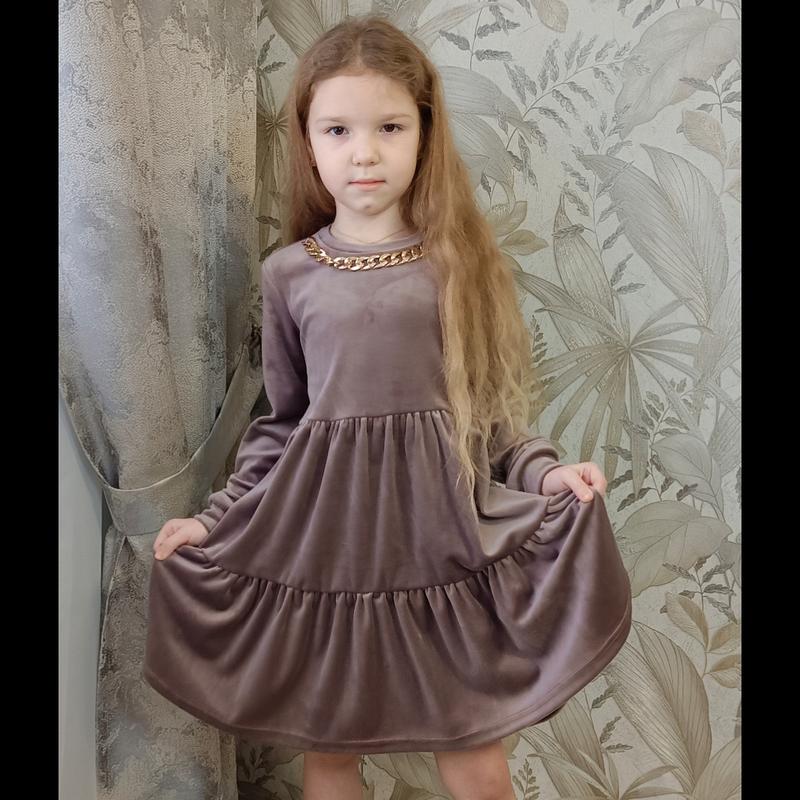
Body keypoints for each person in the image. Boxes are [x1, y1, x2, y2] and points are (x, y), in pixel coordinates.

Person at [143, 14, 632, 800]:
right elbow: (282, 423)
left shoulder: (456, 264)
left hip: (443, 548)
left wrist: (547, 476)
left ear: (424, 134)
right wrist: (215, 521)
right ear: (308, 142)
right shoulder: (288, 275)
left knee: (476, 761)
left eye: (389, 127)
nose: (363, 152)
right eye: (337, 129)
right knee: (332, 758)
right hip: (328, 554)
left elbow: (489, 415)